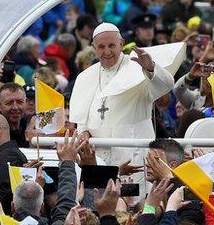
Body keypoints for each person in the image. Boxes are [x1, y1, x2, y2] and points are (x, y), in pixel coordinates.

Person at [69, 22, 177, 167]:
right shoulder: (85, 76)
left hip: (133, 155)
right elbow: (83, 116)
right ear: (94, 48)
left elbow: (165, 86)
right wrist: (84, 132)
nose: (107, 51)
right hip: (98, 156)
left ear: (121, 43)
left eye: (111, 45)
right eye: (101, 47)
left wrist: (150, 69)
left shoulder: (137, 66)